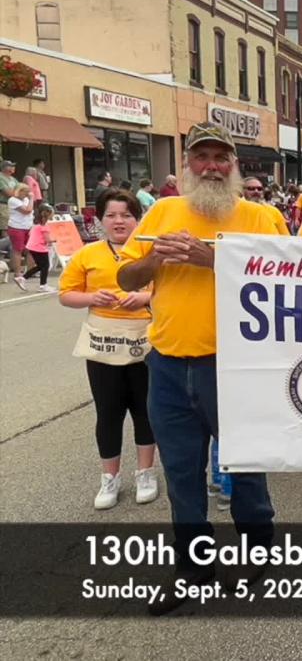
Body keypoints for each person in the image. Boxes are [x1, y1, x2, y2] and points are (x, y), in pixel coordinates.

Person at [116, 122, 283, 614]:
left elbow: (280, 278)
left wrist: (210, 258)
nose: (211, 165)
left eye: (220, 157)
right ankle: (194, 567)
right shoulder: (164, 210)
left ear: (234, 164)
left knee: (245, 463)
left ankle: (258, 551)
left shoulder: (259, 216)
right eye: (202, 156)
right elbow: (126, 274)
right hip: (167, 362)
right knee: (181, 473)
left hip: (234, 364)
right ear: (187, 165)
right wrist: (153, 261)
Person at [58, 189, 157, 509]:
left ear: (137, 219)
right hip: (103, 341)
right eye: (111, 215)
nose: (119, 221)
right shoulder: (87, 255)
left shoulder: (151, 252)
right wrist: (91, 298)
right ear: (99, 219)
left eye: (126, 215)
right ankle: (109, 478)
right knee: (108, 412)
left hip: (144, 338)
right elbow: (66, 294)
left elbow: (168, 289)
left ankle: (146, 472)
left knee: (145, 410)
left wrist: (144, 298)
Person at [21, 205, 54, 292]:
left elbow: (30, 234)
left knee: (40, 266)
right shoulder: (44, 226)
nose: (52, 216)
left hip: (32, 247)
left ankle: (23, 278)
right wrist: (54, 240)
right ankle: (43, 285)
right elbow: (48, 240)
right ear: (48, 215)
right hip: (39, 248)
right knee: (45, 266)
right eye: (52, 214)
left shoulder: (36, 225)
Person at [7, 182, 34, 289]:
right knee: (17, 250)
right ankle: (17, 273)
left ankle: (30, 271)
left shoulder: (25, 199)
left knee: (31, 249)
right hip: (16, 227)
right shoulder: (13, 200)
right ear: (20, 191)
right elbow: (27, 210)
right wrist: (31, 199)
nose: (28, 194)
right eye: (26, 192)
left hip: (27, 226)